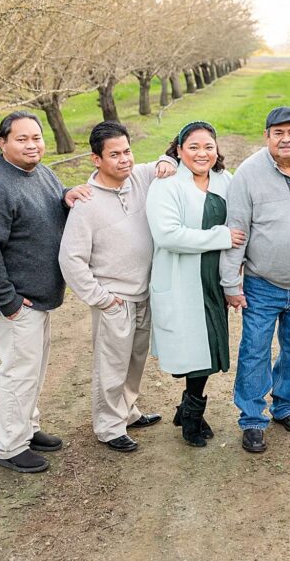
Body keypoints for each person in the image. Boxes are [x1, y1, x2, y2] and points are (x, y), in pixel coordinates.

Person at [0, 111, 88, 473]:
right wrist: (6, 299)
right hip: (17, 300)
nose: (32, 144)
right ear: (2, 143)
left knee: (33, 369)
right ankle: (9, 446)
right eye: (22, 139)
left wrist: (67, 195)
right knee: (18, 373)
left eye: (36, 137)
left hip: (38, 295)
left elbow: (53, 199)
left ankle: (28, 428)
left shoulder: (40, 172)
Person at [58, 121, 177, 453]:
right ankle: (109, 426)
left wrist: (168, 162)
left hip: (144, 293)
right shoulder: (86, 203)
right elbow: (71, 260)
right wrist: (102, 299)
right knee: (111, 365)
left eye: (127, 151)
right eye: (115, 154)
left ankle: (127, 410)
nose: (124, 159)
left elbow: (167, 163)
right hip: (115, 298)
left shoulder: (138, 176)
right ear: (96, 159)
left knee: (135, 360)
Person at [221, 106, 290, 454]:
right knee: (254, 350)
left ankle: (285, 404)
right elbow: (235, 229)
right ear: (267, 136)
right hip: (262, 283)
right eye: (278, 133)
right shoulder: (248, 174)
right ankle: (253, 419)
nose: (286, 139)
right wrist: (230, 283)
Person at [146, 122, 245, 448]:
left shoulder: (224, 181)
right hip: (181, 278)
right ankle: (191, 414)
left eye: (208, 147)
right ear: (178, 150)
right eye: (193, 147)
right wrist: (220, 237)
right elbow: (167, 235)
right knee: (193, 352)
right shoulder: (167, 184)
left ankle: (187, 407)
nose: (202, 153)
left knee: (209, 348)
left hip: (212, 279)